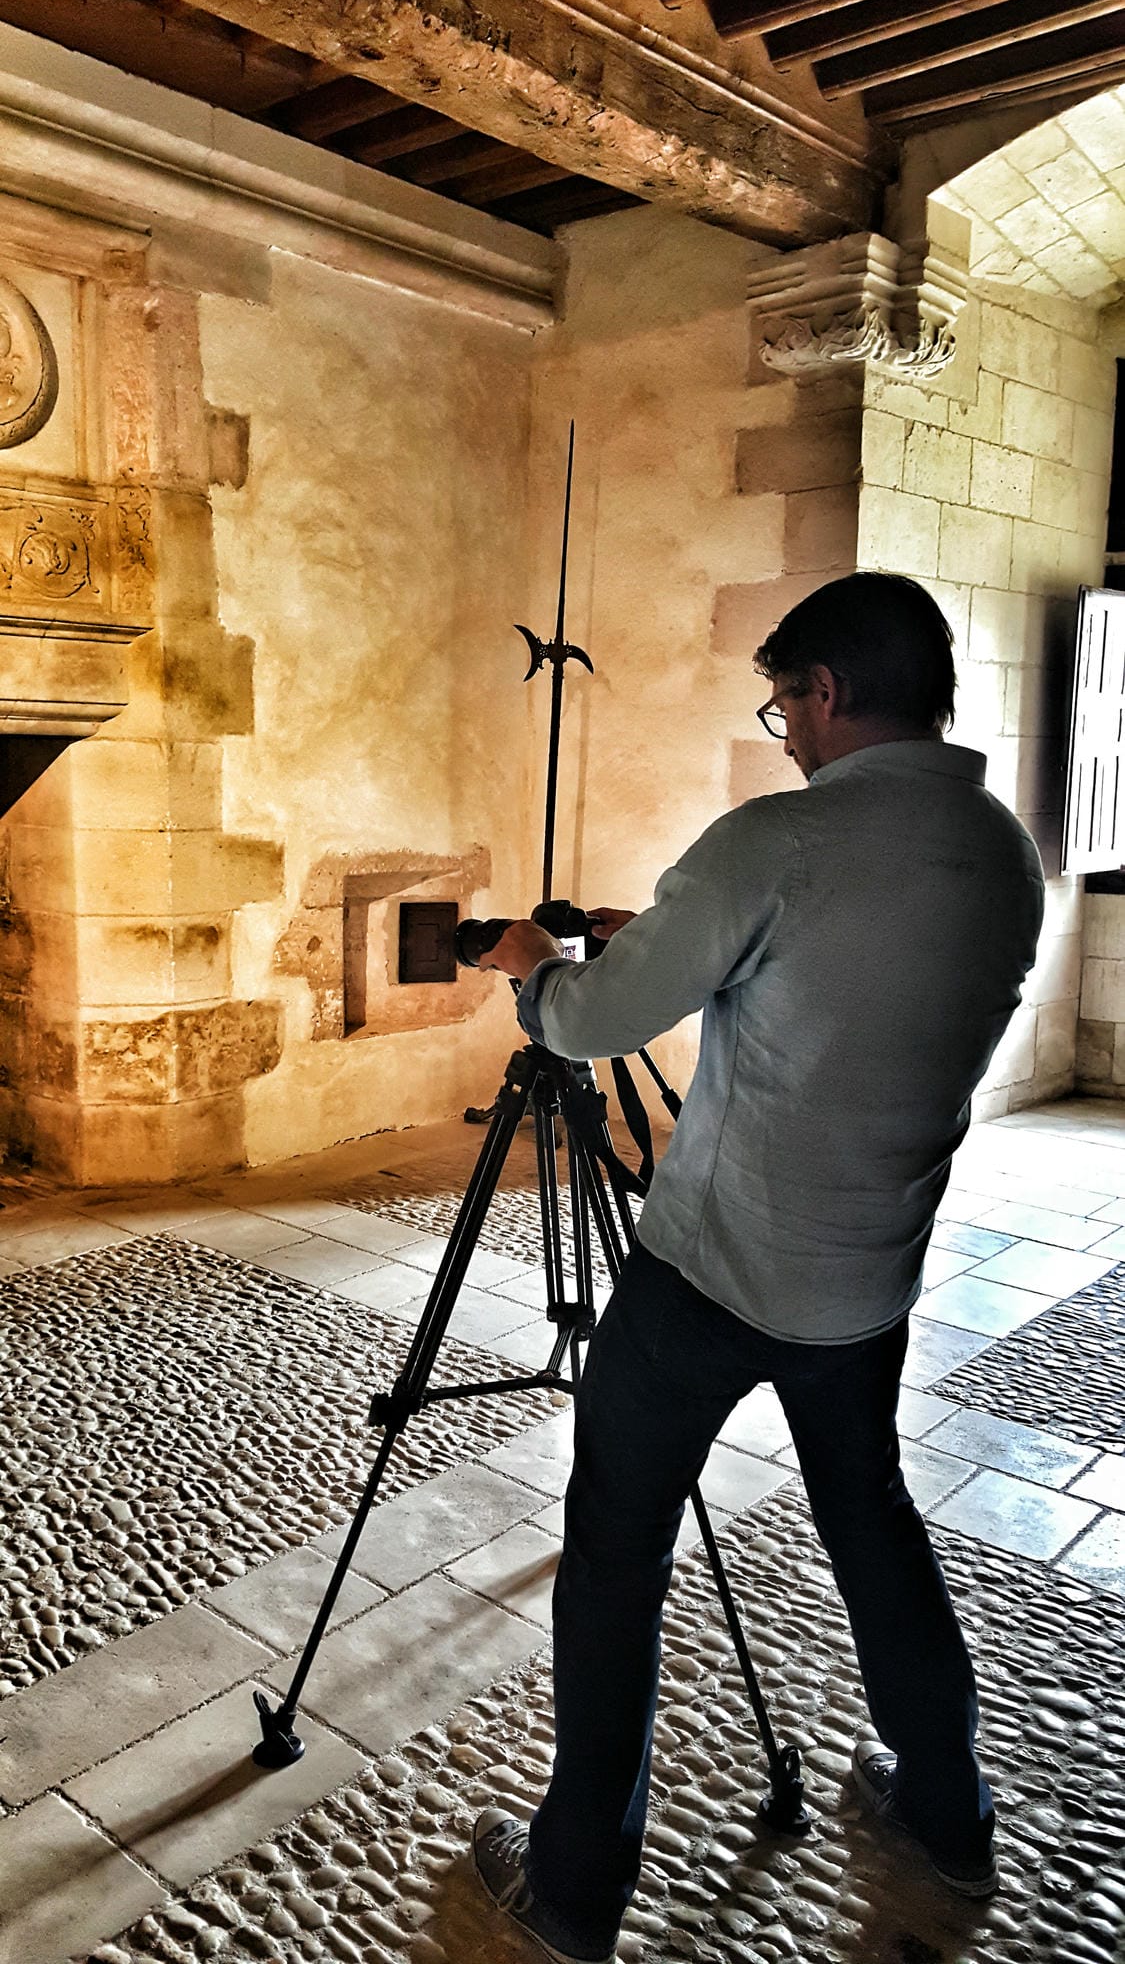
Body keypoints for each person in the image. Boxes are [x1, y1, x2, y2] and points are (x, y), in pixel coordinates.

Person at [470, 571, 1045, 1964]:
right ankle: (948, 1814)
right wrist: (672, 938)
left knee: (614, 1554)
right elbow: (842, 994)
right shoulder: (1002, 848)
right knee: (871, 1526)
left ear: (829, 692)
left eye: (784, 700)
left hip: (711, 1274)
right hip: (866, 1281)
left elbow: (597, 1024)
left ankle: (577, 1887)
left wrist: (530, 967)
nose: (781, 727)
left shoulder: (774, 839)